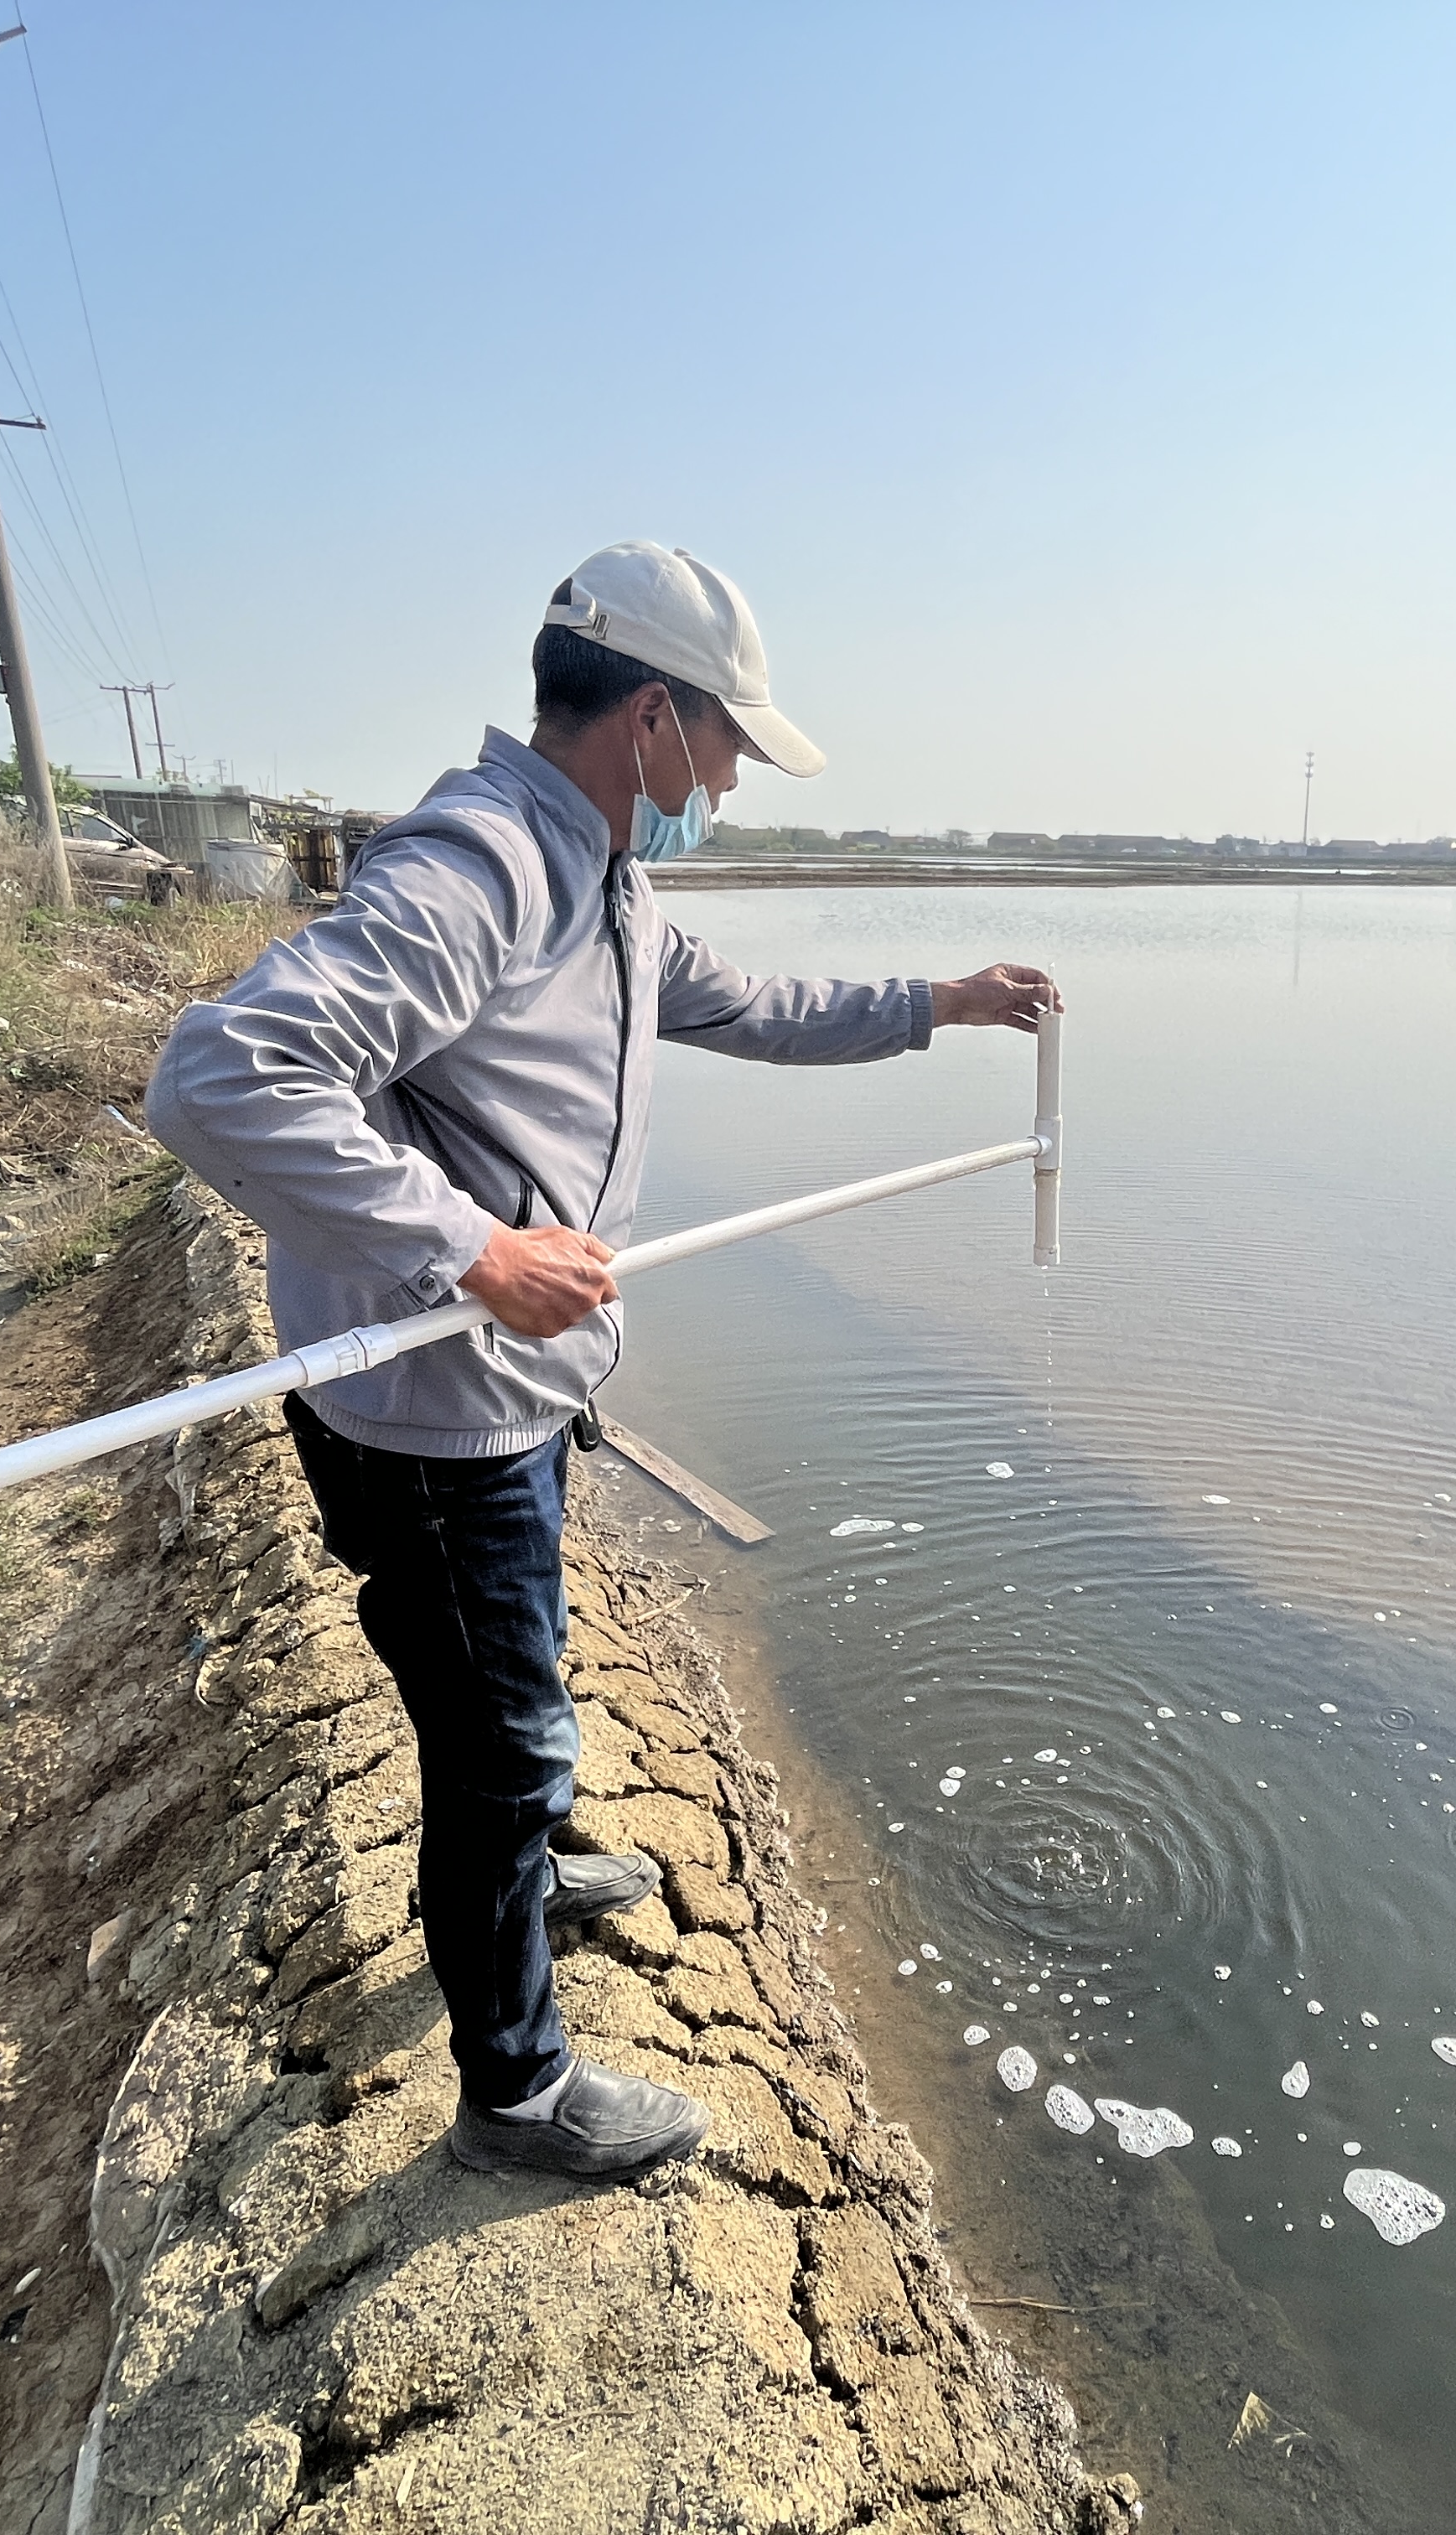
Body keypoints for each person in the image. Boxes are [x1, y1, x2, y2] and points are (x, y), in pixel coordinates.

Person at [146, 542, 1057, 2180]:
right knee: (497, 1747)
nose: (733, 784)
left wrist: (945, 1003)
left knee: (510, 1683)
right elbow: (224, 1075)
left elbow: (762, 1007)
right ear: (651, 718)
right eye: (728, 747)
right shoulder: (485, 870)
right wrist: (477, 1252)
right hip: (435, 1422)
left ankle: (537, 1858)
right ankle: (515, 2093)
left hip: (513, 1401)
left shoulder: (613, 887)